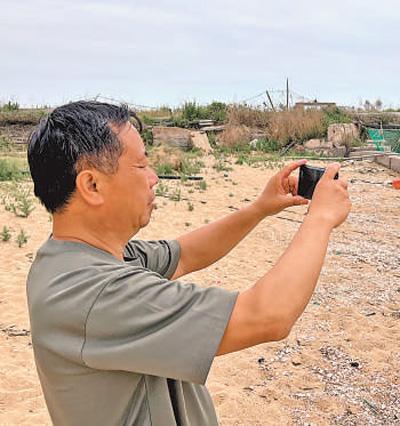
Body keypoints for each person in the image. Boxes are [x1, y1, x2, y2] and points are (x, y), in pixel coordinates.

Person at [26, 101, 351, 426]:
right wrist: (321, 217)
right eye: (140, 166)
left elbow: (187, 254)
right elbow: (267, 316)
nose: (153, 178)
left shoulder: (80, 259)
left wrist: (260, 209)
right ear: (92, 185)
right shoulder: (94, 293)